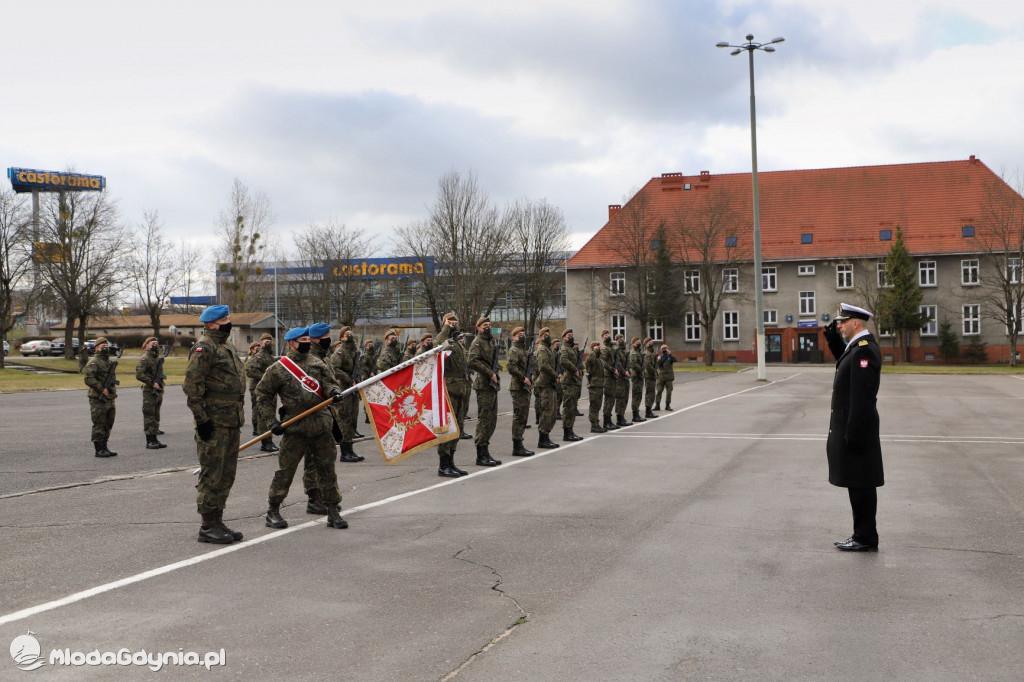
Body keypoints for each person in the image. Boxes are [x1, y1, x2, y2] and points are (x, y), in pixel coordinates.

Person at [257, 327, 348, 530]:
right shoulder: (279, 368)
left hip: (321, 425)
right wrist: (271, 421)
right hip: (295, 426)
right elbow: (263, 393)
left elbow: (329, 384)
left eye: (308, 338)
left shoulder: (317, 363)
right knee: (285, 471)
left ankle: (333, 511)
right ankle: (273, 510)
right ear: (292, 343)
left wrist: (334, 391)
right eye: (303, 339)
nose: (307, 342)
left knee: (327, 469)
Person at [823, 303, 884, 552]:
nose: (839, 325)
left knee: (861, 483)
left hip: (858, 428)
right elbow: (841, 357)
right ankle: (862, 534)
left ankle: (865, 537)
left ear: (855, 323)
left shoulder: (864, 351)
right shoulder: (855, 349)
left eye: (842, 322)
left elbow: (863, 397)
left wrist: (854, 433)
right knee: (856, 482)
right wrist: (831, 333)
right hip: (853, 427)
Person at [183, 305, 245, 544]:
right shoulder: (204, 347)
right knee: (212, 473)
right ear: (211, 324)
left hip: (231, 419)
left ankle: (218, 520)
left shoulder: (226, 345)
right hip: (214, 421)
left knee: (226, 473)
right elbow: (192, 386)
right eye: (224, 319)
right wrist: (202, 420)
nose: (229, 322)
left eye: (229, 317)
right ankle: (207, 525)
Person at [436, 313, 472, 477]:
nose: (453, 324)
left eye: (454, 322)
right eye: (449, 322)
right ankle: (443, 465)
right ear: (444, 324)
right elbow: (436, 347)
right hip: (449, 389)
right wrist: (445, 329)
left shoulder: (457, 342)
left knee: (458, 426)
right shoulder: (443, 340)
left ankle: (451, 461)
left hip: (461, 388)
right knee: (448, 427)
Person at [467, 317, 502, 466]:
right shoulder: (477, 342)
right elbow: (472, 361)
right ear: (478, 328)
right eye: (484, 325)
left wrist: (496, 369)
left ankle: (486, 451)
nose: (487, 327)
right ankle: (481, 454)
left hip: (492, 385)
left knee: (492, 420)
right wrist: (489, 373)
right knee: (485, 418)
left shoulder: (490, 342)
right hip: (483, 384)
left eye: (489, 325)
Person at [329, 325, 365, 465]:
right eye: (347, 334)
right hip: (343, 389)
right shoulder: (340, 352)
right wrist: (349, 379)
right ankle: (345, 452)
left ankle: (350, 449)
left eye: (351, 333)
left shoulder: (354, 352)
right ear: (341, 338)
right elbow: (334, 368)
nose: (350, 336)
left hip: (353, 391)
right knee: (344, 421)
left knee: (352, 420)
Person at [83, 337, 119, 458]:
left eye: (106, 345)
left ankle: (105, 446)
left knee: (109, 422)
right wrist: (101, 389)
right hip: (98, 398)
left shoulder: (109, 362)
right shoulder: (94, 362)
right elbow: (88, 378)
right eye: (102, 345)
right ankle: (99, 449)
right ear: (97, 347)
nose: (105, 347)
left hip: (109, 397)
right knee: (99, 423)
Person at [245, 332, 279, 453]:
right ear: (261, 343)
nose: (268, 343)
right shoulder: (259, 356)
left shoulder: (269, 356)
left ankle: (269, 440)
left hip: (270, 390)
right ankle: (266, 442)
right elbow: (249, 371)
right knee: (263, 416)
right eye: (266, 341)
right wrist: (265, 376)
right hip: (260, 389)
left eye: (270, 341)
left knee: (270, 415)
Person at [505, 326, 536, 457]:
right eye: (519, 334)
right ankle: (517, 445)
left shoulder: (524, 351)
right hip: (518, 387)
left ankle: (520, 443)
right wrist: (523, 378)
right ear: (513, 337)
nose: (522, 336)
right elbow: (510, 366)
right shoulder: (514, 350)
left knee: (523, 416)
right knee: (519, 416)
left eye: (523, 333)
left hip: (525, 387)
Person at [135, 336, 167, 449]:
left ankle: (155, 438)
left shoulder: (156, 359)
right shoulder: (145, 358)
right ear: (147, 345)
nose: (155, 345)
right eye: (152, 343)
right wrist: (152, 383)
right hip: (149, 391)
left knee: (155, 415)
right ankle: (150, 440)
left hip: (158, 391)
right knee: (149, 415)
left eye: (156, 343)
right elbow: (139, 374)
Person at [533, 327, 561, 449]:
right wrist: (555, 375)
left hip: (550, 384)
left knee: (552, 412)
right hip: (545, 384)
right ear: (540, 337)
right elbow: (543, 366)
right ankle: (542, 439)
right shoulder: (543, 349)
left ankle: (546, 436)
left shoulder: (548, 349)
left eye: (548, 334)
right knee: (547, 411)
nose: (547, 336)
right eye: (544, 334)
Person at [558, 329, 584, 442]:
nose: (571, 337)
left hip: (574, 381)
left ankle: (571, 430)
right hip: (568, 381)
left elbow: (578, 362)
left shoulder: (572, 349)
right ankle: (567, 432)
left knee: (573, 407)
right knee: (568, 407)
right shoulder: (564, 349)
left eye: (572, 335)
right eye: (569, 335)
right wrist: (574, 369)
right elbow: (563, 361)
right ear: (564, 337)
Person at [585, 341, 607, 433]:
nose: (598, 347)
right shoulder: (590, 357)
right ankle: (593, 425)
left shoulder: (599, 359)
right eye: (596, 346)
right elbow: (590, 364)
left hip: (600, 384)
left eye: (599, 345)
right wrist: (595, 352)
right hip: (593, 384)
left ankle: (597, 423)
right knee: (594, 405)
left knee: (598, 405)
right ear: (592, 348)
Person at [600, 330, 620, 430]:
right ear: (602, 337)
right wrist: (613, 369)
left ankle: (609, 420)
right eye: (605, 335)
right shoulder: (604, 348)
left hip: (612, 376)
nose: (607, 336)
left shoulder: (611, 347)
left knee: (612, 398)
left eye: (608, 334)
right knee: (609, 398)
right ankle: (606, 421)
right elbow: (602, 362)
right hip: (608, 376)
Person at [613, 334, 632, 427]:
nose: (621, 340)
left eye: (622, 339)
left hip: (625, 378)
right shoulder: (616, 351)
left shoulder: (625, 352)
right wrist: (624, 372)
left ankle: (622, 416)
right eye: (619, 339)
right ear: (616, 341)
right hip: (620, 378)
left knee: (625, 398)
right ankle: (619, 418)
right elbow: (618, 364)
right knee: (620, 398)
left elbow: (628, 363)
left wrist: (628, 371)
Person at [628, 336, 646, 423]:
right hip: (636, 376)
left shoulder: (639, 352)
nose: (638, 343)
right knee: (636, 396)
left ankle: (637, 413)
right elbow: (633, 364)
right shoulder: (634, 353)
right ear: (633, 343)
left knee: (639, 395)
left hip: (639, 376)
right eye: (637, 342)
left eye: (639, 342)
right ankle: (635, 415)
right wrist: (641, 370)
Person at [654, 344, 677, 411]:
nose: (664, 350)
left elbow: (675, 360)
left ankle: (667, 405)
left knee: (669, 391)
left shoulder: (670, 356)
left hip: (669, 377)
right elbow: (658, 365)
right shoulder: (660, 357)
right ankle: (657, 405)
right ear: (661, 350)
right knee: (659, 391)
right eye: (663, 348)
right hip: (661, 376)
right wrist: (658, 359)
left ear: (667, 348)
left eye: (665, 348)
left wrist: (670, 354)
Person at [642, 337, 659, 419]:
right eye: (649, 342)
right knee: (649, 394)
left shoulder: (652, 353)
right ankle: (648, 411)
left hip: (652, 376)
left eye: (651, 342)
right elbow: (648, 366)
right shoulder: (647, 354)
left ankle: (649, 411)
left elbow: (655, 364)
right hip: (649, 376)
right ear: (645, 344)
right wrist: (654, 372)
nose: (650, 343)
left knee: (652, 394)